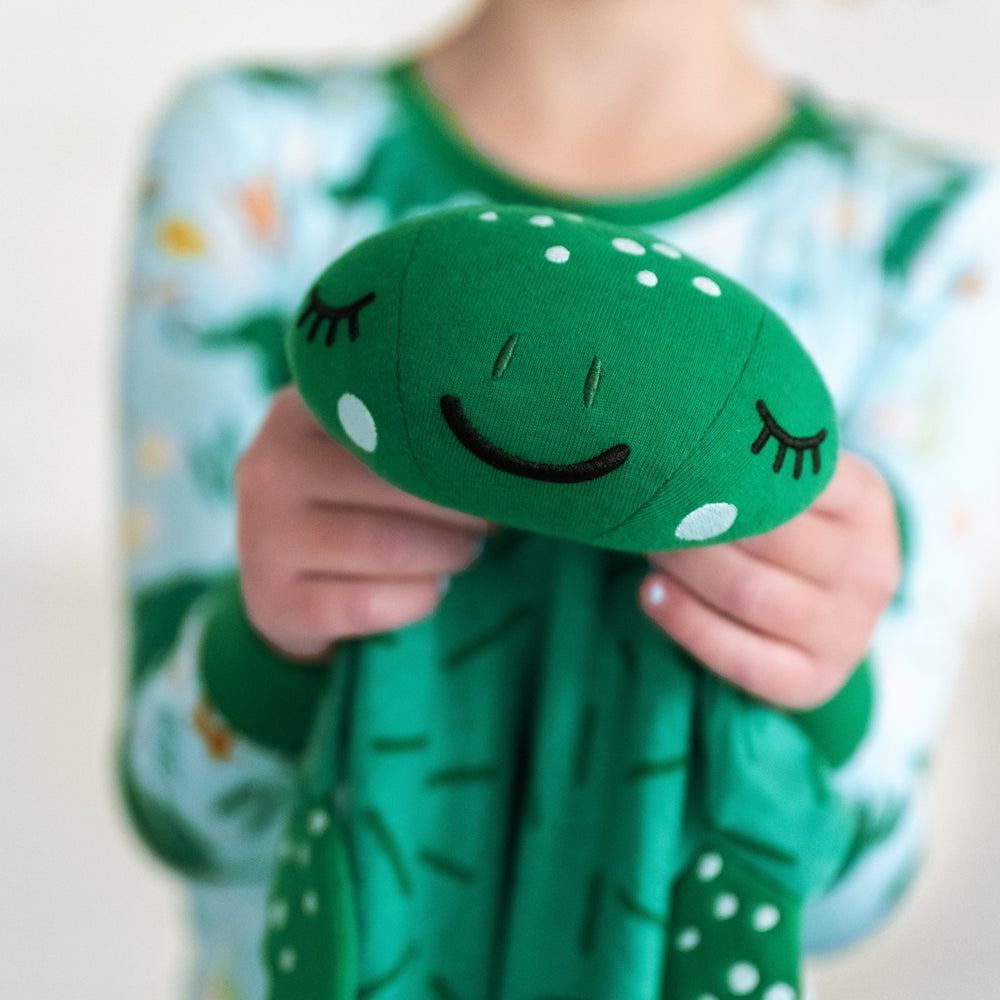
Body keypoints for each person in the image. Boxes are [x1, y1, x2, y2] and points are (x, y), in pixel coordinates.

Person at [117, 0, 1000, 997]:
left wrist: (827, 688)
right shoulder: (253, 161)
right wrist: (266, 640)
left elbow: (854, 897)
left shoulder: (929, 239)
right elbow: (177, 808)